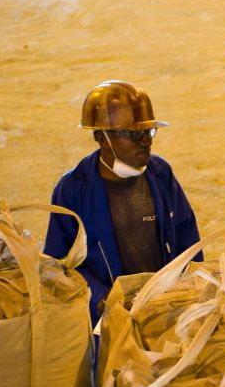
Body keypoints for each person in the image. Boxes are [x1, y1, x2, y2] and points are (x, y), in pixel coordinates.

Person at [44, 80, 201, 325]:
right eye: (133, 134)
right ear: (102, 138)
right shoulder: (74, 190)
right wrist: (102, 298)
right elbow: (59, 265)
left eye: (148, 132)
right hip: (108, 318)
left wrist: (192, 285)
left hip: (164, 306)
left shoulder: (160, 174)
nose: (146, 141)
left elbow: (186, 237)